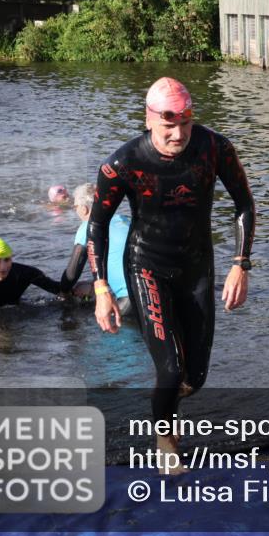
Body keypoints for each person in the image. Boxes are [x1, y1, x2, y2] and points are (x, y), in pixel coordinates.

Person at [87, 77, 255, 473]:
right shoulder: (121, 164)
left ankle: (167, 408)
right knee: (170, 369)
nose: (178, 134)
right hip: (146, 265)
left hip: (197, 266)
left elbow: (244, 204)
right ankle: (166, 442)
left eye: (185, 124)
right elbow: (97, 225)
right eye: (168, 126)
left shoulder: (215, 148)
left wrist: (240, 265)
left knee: (194, 378)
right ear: (149, 119)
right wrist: (100, 287)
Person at [60, 183, 132, 315]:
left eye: (75, 206)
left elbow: (71, 275)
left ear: (84, 209)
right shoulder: (125, 219)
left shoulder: (87, 227)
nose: (75, 211)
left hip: (129, 299)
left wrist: (63, 292)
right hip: (154, 288)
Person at [0, 237, 62, 307]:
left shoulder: (22, 273)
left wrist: (71, 289)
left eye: (7, 260)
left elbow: (59, 289)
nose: (3, 266)